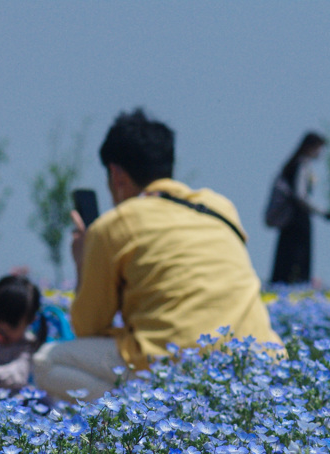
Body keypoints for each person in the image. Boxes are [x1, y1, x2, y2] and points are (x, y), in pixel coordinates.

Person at [33, 108, 284, 403]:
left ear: (116, 175)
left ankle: (140, 418)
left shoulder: (114, 225)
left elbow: (88, 328)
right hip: (259, 361)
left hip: (174, 367)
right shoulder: (220, 207)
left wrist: (82, 260)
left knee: (46, 361)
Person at [266, 131, 330, 284]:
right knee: (298, 259)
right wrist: (323, 212)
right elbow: (301, 195)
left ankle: (284, 287)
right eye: (319, 148)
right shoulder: (302, 164)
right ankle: (296, 287)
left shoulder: (293, 164)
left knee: (286, 258)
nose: (320, 153)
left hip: (289, 221)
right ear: (311, 147)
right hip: (297, 219)